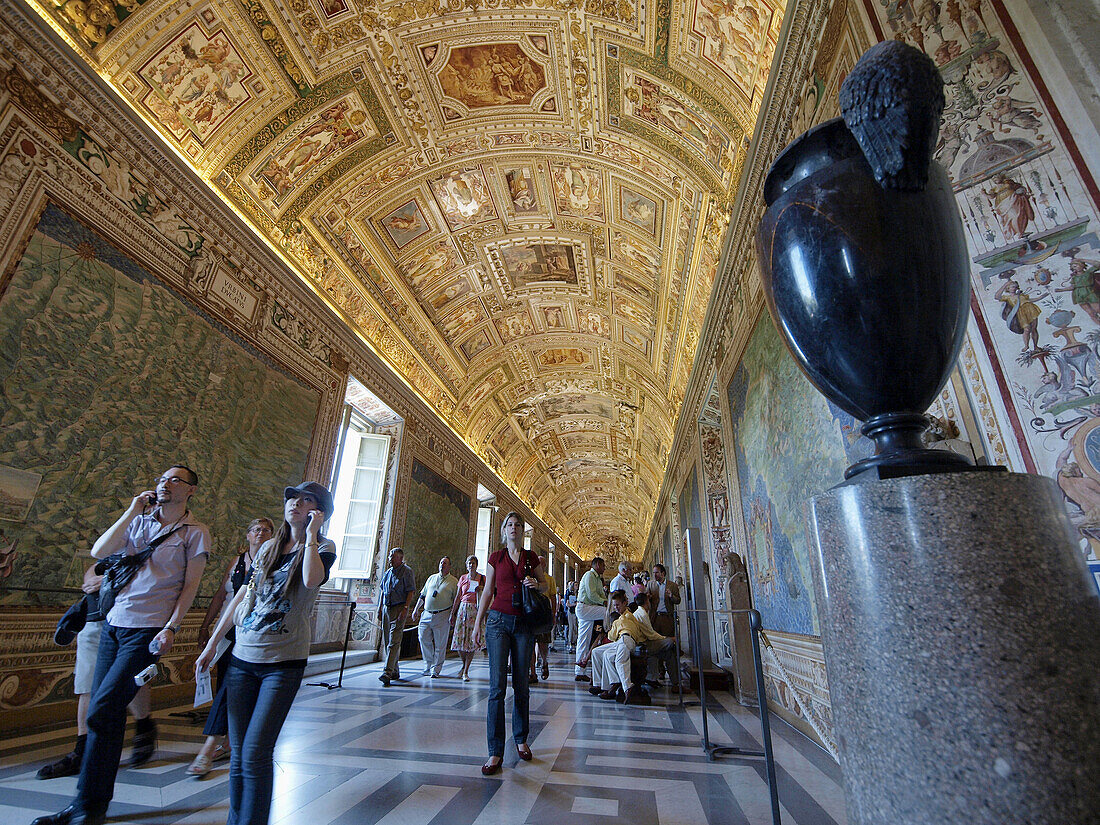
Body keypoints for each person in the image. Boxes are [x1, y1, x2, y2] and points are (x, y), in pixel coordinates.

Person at [33, 465, 210, 825]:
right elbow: (101, 551)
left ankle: (89, 805)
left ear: (190, 491)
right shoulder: (139, 521)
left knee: (102, 709)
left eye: (174, 480)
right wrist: (131, 510)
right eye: (161, 478)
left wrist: (172, 628)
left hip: (148, 630)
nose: (165, 484)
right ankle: (87, 807)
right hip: (114, 623)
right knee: (106, 714)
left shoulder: (196, 532)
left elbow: (189, 586)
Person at [195, 482, 337, 825]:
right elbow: (243, 595)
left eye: (306, 501)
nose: (296, 504)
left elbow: (311, 580)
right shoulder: (268, 548)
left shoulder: (323, 546)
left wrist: (312, 534)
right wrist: (214, 642)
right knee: (240, 753)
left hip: (282, 663)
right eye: (293, 498)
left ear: (318, 511)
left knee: (257, 752)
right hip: (243, 658)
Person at [34, 564, 151, 780]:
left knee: (128, 680)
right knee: (87, 684)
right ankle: (82, 750)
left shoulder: (154, 546)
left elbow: (154, 581)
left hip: (131, 622)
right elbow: (90, 577)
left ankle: (144, 725)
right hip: (94, 617)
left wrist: (110, 580)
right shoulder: (115, 545)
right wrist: (111, 578)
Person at [188, 517, 274, 776]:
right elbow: (221, 596)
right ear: (247, 535)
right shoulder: (236, 563)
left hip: (253, 633)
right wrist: (206, 626)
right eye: (256, 529)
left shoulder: (274, 562)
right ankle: (227, 740)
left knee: (230, 687)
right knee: (224, 683)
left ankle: (211, 745)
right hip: (228, 631)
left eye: (266, 530)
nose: (261, 533)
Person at [472, 511, 547, 775]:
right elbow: (488, 591)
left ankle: (521, 738)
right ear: (504, 530)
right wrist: (477, 623)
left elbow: (547, 586)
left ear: (522, 531)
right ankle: (494, 751)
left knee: (522, 685)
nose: (514, 528)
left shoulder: (531, 558)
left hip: (524, 624)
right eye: (510, 524)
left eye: (518, 525)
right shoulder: (496, 557)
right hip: (498, 622)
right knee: (496, 688)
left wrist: (536, 583)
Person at [411, 556, 459, 678]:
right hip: (427, 613)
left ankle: (436, 669)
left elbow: (456, 600)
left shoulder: (454, 582)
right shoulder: (431, 578)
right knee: (422, 638)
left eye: (445, 563)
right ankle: (428, 664)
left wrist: (453, 615)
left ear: (449, 566)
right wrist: (416, 609)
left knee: (440, 643)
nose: (442, 565)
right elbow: (423, 595)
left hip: (443, 614)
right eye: (441, 562)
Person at [377, 547, 416, 685]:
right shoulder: (388, 573)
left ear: (400, 558)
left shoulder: (407, 572)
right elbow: (383, 590)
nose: (390, 559)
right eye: (389, 556)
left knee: (394, 640)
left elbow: (410, 591)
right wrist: (380, 608)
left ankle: (387, 672)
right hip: (387, 607)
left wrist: (405, 608)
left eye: (392, 557)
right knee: (388, 640)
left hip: (399, 608)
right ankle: (395, 671)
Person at [450, 555, 485, 681]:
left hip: (475, 610)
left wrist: (480, 589)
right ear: (467, 565)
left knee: (471, 641)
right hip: (462, 610)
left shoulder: (482, 578)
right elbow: (458, 596)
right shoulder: (463, 578)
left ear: (477, 565)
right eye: (469, 563)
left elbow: (487, 594)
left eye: (474, 563)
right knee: (460, 641)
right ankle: (464, 664)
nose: (471, 565)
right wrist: (452, 613)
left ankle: (466, 670)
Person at [574, 557, 606, 681]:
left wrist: (604, 599)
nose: (604, 568)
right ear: (597, 564)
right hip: (585, 607)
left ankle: (580, 671)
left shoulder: (598, 578)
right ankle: (603, 633)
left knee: (583, 639)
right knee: (607, 613)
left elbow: (600, 594)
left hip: (588, 608)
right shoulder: (589, 575)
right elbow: (592, 595)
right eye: (603, 565)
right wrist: (606, 603)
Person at [529, 550, 557, 683]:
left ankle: (544, 661)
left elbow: (553, 597)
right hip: (531, 614)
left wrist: (553, 614)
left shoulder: (549, 579)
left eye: (541, 564)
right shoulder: (530, 578)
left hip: (544, 613)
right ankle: (533, 672)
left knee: (543, 643)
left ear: (544, 566)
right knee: (530, 643)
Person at [565, 580, 578, 653]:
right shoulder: (569, 593)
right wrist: (575, 604)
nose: (577, 586)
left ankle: (574, 641)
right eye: (575, 585)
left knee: (576, 628)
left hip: (577, 612)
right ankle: (570, 642)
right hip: (571, 611)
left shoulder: (578, 593)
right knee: (571, 627)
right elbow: (568, 604)